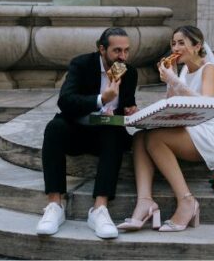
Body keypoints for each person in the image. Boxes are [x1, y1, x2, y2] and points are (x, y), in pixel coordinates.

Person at [118, 24, 214, 233]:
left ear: (197, 45)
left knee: (155, 139)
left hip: (211, 133)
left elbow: (206, 105)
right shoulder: (183, 70)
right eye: (173, 43)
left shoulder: (208, 69)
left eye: (181, 43)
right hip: (191, 128)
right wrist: (171, 80)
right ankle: (145, 202)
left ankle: (187, 201)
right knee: (139, 137)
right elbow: (172, 106)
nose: (175, 47)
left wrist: (175, 81)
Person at [37, 27, 139, 239]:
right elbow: (65, 101)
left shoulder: (130, 72)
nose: (123, 57)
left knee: (114, 134)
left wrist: (131, 109)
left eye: (126, 51)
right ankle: (55, 205)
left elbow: (127, 103)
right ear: (102, 49)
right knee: (54, 128)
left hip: (105, 135)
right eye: (117, 51)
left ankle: (99, 209)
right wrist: (102, 98)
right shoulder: (81, 64)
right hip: (77, 129)